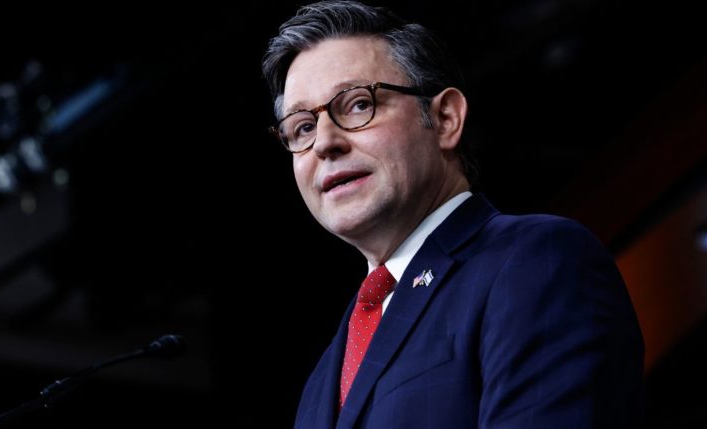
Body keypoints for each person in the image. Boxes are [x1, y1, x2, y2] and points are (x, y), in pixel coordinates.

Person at [262, 1, 644, 428]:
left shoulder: (538, 260)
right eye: (302, 127)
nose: (324, 143)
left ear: (444, 119)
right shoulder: (322, 379)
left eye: (356, 105)